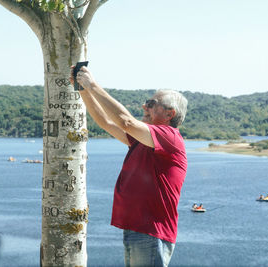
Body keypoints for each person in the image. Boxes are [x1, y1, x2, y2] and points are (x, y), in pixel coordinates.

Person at [72, 66, 188, 267]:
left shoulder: (169, 137)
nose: (145, 107)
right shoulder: (144, 141)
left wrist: (93, 85)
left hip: (152, 231)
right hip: (139, 229)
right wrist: (83, 89)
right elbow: (107, 122)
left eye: (152, 104)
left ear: (170, 113)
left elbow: (126, 122)